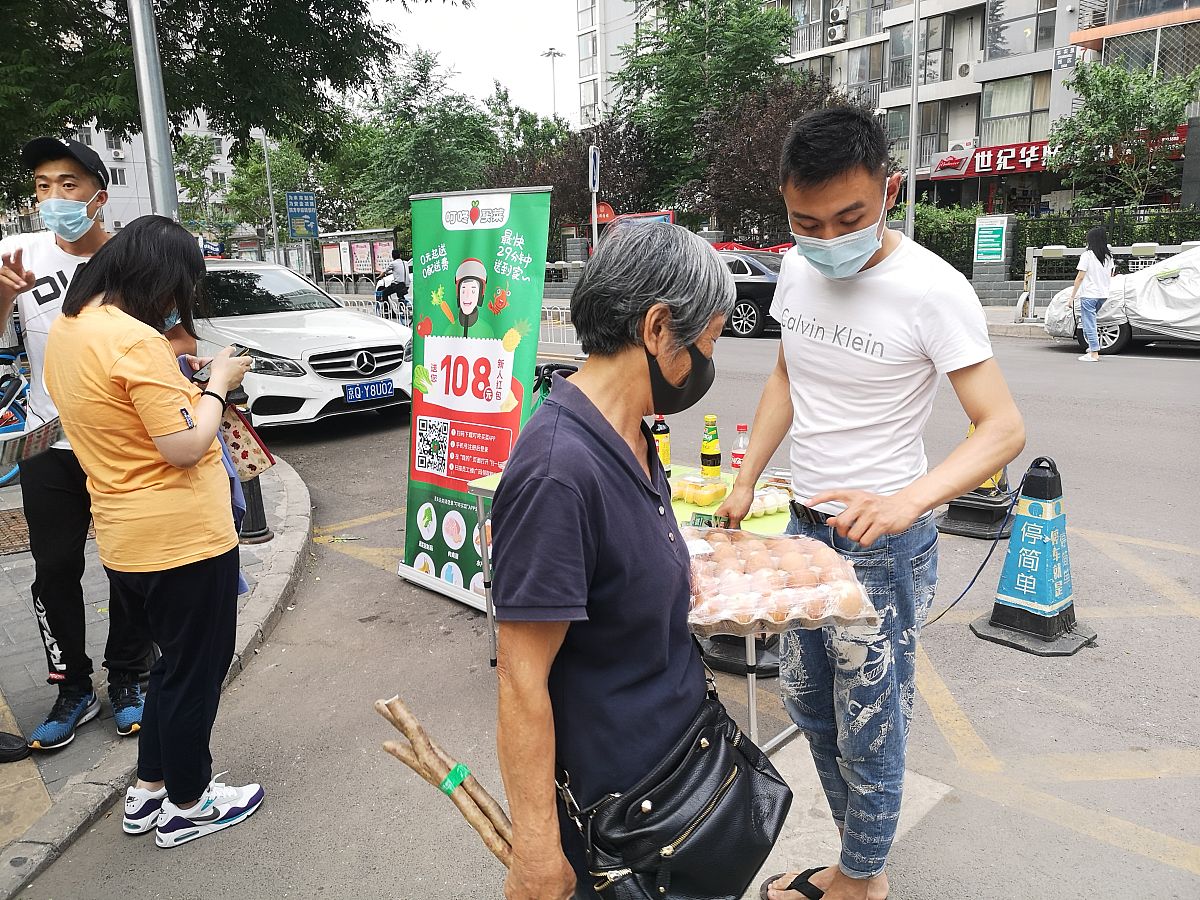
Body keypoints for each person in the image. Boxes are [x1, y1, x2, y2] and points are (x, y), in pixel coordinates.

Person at [715, 107, 1025, 900]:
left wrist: (903, 504)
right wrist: (748, 475)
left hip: (880, 547)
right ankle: (861, 862)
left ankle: (860, 879)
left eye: (849, 217)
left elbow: (1001, 429)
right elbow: (789, 376)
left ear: (887, 191)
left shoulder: (933, 288)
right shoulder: (796, 268)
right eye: (805, 221)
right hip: (803, 530)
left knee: (873, 727)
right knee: (811, 707)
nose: (828, 237)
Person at [491, 222, 735, 900]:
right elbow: (519, 676)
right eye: (708, 341)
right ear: (659, 328)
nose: (708, 364)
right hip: (620, 814)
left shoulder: (631, 431)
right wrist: (537, 849)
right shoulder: (556, 472)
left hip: (676, 772)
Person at [43, 215, 263, 847]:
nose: (175, 303)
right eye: (177, 288)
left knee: (169, 669)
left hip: (124, 537)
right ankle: (190, 802)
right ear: (158, 277)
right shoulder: (134, 341)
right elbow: (184, 445)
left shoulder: (70, 328)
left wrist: (182, 381)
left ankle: (148, 793)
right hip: (184, 539)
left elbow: (127, 417)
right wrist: (218, 385)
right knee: (195, 671)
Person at [0, 137, 195, 751]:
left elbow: (182, 341)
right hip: (46, 441)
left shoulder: (132, 258)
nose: (52, 197)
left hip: (119, 443)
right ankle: (72, 685)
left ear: (98, 195)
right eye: (41, 185)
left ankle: (130, 678)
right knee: (54, 567)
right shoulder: (15, 254)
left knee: (127, 564)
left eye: (68, 184)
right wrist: (4, 296)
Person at [1070, 226, 1115, 363]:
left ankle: (1094, 352)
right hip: (1103, 294)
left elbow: (1080, 277)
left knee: (1089, 322)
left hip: (1089, 294)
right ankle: (1092, 347)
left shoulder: (1087, 256)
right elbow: (1111, 274)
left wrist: (1072, 296)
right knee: (1089, 321)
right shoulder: (1108, 257)